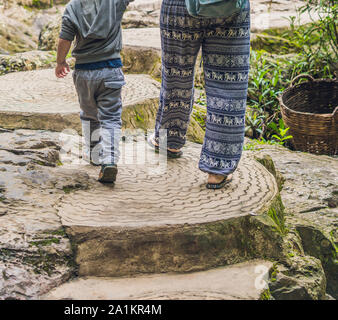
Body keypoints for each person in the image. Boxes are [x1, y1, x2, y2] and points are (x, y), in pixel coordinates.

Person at [149, 0, 251, 189]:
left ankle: (169, 141)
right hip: (230, 11)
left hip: (179, 9)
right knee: (227, 86)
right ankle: (217, 169)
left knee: (176, 76)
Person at [55, 0, 134, 183]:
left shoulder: (72, 7)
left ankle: (94, 154)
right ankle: (109, 161)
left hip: (83, 73)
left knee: (89, 115)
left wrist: (60, 62)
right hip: (111, 69)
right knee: (111, 118)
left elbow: (64, 39)